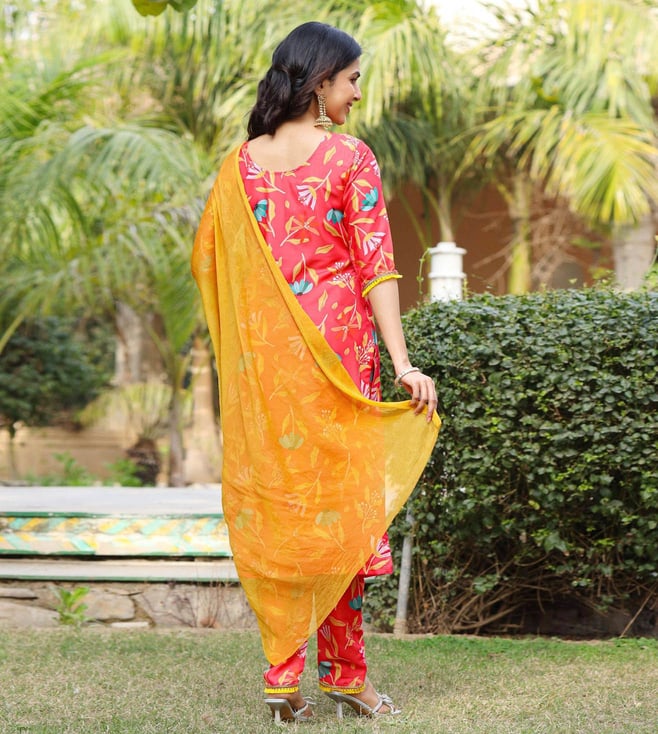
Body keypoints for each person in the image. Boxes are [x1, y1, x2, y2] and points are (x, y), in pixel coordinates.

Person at [191, 21, 440, 724]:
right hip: (339, 359)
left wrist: (248, 351)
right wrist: (402, 363)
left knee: (285, 510)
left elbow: (209, 263)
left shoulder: (238, 167)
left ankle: (282, 676)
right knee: (344, 514)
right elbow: (377, 267)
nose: (357, 93)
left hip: (268, 368)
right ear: (320, 80)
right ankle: (347, 676)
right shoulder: (349, 158)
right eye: (352, 79)